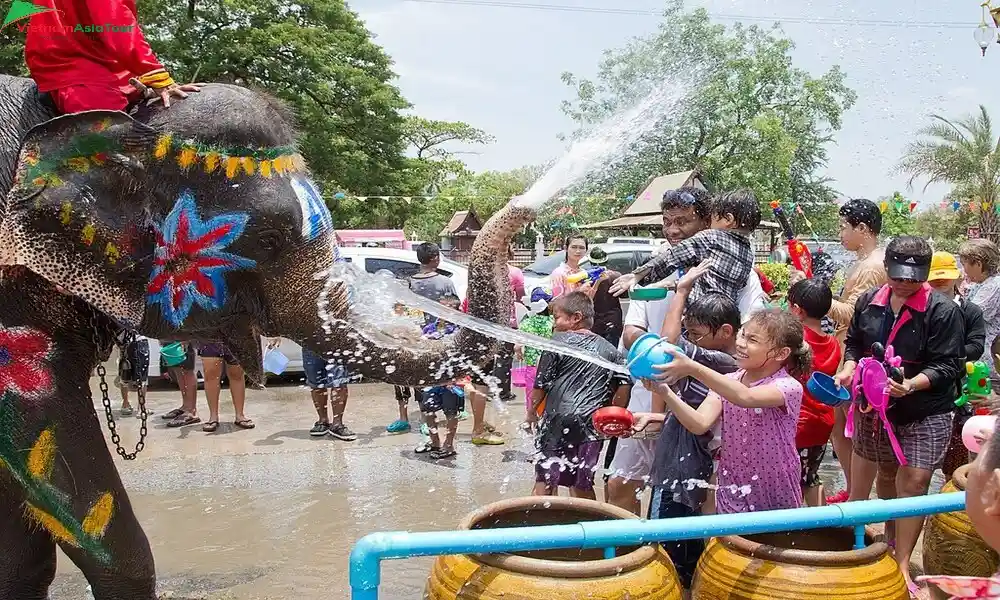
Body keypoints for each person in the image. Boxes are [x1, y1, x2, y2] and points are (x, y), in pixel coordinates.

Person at [834, 235, 964, 595]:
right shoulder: (868, 302)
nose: (905, 283)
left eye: (912, 277)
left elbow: (948, 365)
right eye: (898, 276)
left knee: (916, 482)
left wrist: (912, 384)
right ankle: (876, 543)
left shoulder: (942, 311)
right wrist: (848, 368)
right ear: (887, 268)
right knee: (885, 475)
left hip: (925, 408)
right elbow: (855, 344)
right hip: (877, 408)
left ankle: (902, 562)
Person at [630, 264, 740, 589]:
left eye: (695, 334)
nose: (689, 341)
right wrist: (658, 417)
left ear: (725, 332)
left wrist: (681, 292)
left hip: (687, 473)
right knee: (689, 554)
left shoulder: (720, 362)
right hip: (683, 468)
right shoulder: (717, 363)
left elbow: (665, 344)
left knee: (668, 556)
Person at [642, 308, 810, 515]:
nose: (740, 343)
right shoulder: (729, 381)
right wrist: (665, 392)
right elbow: (699, 423)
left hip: (775, 483)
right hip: (734, 484)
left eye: (753, 340)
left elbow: (745, 397)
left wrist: (692, 367)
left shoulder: (787, 386)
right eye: (743, 334)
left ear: (781, 353)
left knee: (775, 542)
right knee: (730, 543)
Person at [525, 292, 631, 499]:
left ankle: (540, 526)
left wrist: (531, 414)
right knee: (582, 482)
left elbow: (540, 385)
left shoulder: (556, 342)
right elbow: (624, 385)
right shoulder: (611, 350)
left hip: (558, 420)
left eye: (557, 317)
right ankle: (590, 527)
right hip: (591, 425)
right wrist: (612, 417)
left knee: (545, 481)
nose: (554, 323)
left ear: (576, 318)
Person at [24, 0, 201, 114]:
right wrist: (155, 73)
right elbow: (115, 22)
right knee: (106, 139)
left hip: (98, 58)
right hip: (73, 66)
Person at [823, 198, 887, 505]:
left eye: (843, 227)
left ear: (862, 228)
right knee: (839, 424)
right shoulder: (867, 262)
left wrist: (818, 299)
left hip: (857, 356)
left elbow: (853, 314)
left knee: (855, 428)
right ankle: (852, 489)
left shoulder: (873, 266)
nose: (840, 234)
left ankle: (858, 496)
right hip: (847, 352)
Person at [610, 189, 761, 306]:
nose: (672, 230)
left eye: (681, 222)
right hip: (717, 320)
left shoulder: (711, 237)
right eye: (667, 222)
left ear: (706, 222)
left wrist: (638, 276)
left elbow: (673, 257)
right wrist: (672, 286)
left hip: (697, 321)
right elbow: (712, 282)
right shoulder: (747, 254)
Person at [386, 242, 460, 434]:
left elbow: (397, 309)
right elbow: (454, 309)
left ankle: (404, 418)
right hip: (435, 338)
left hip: (409, 337)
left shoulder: (408, 283)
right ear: (435, 257)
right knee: (425, 378)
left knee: (402, 376)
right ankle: (427, 419)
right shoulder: (445, 283)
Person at [926, 251, 986, 480]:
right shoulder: (920, 311)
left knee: (955, 464)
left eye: (945, 277)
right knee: (919, 468)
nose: (940, 282)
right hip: (926, 392)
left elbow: (976, 346)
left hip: (959, 391)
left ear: (957, 277)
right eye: (935, 278)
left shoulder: (970, 311)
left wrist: (947, 356)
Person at [786, 279, 842, 507]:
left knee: (787, 480)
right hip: (822, 421)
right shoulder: (833, 343)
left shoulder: (795, 342)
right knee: (810, 477)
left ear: (797, 310)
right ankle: (823, 529)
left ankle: (787, 532)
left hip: (796, 423)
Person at [414, 295, 465, 460]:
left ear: (456, 310)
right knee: (428, 410)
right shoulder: (429, 329)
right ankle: (435, 441)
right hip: (432, 379)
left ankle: (449, 445)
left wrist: (458, 378)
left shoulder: (460, 331)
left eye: (446, 308)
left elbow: (464, 358)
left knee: (451, 412)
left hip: (452, 379)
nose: (442, 312)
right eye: (439, 307)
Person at [959, 238, 1000, 384]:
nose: (963, 270)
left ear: (978, 263)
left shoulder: (993, 286)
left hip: (984, 362)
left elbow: (968, 315)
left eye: (964, 264)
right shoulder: (980, 285)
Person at [492, 245, 527, 404]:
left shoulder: (486, 272)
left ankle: (487, 390)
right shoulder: (514, 273)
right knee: (504, 358)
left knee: (488, 357)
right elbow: (521, 297)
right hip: (507, 321)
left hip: (487, 321)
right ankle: (502, 393)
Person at [514, 287, 555, 419]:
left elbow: (517, 346)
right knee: (548, 395)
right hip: (550, 366)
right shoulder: (553, 322)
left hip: (532, 366)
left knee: (531, 394)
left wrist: (519, 352)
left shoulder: (526, 322)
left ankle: (531, 419)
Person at [302, 347, 356, 441]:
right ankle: (323, 421)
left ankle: (337, 424)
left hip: (337, 342)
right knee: (316, 384)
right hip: (309, 343)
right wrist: (274, 336)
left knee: (340, 382)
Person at [198, 343, 253, 432]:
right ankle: (213, 416)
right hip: (210, 336)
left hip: (235, 335)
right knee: (211, 375)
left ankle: (240, 415)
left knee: (237, 375)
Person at [583, 246, 623, 346]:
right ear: (606, 261)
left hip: (594, 323)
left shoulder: (586, 278)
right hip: (613, 321)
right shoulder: (615, 276)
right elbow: (624, 295)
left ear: (590, 262)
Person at [161, 342, 200, 427]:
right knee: (178, 368)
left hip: (185, 333)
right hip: (172, 335)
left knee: (187, 370)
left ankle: (191, 411)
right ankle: (185, 406)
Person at [116, 333, 151, 417]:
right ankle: (141, 408)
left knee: (124, 373)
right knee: (142, 377)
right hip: (139, 341)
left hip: (123, 342)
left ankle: (125, 404)